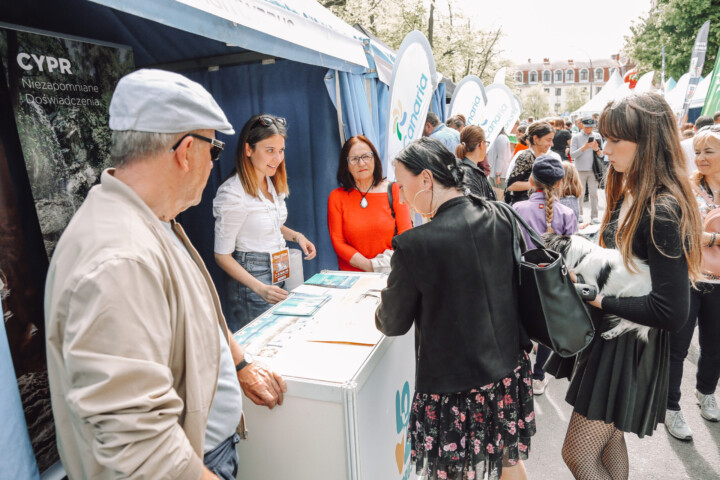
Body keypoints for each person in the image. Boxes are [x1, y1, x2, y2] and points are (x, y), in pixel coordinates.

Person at [44, 69, 287, 480]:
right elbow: (140, 451)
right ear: (186, 150)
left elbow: (196, 314)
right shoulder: (120, 259)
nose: (214, 164)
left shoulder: (152, 220)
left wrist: (239, 363)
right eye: (215, 150)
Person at [558, 93, 702, 480]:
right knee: (606, 442)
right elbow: (625, 264)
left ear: (648, 141)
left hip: (628, 343)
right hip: (618, 338)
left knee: (577, 454)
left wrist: (598, 297)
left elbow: (672, 311)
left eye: (614, 140)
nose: (604, 149)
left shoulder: (661, 207)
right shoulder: (636, 192)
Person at [376, 137, 535, 480]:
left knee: (451, 472)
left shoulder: (414, 244)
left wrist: (380, 302)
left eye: (403, 187)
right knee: (507, 459)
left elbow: (392, 322)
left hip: (453, 388)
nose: (402, 197)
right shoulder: (501, 214)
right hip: (506, 367)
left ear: (426, 180)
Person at [213, 114, 317, 330]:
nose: (277, 158)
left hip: (278, 271)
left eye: (281, 150)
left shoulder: (271, 182)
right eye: (269, 150)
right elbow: (222, 256)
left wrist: (297, 237)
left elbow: (271, 225)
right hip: (253, 281)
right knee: (262, 345)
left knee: (282, 336)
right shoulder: (233, 193)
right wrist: (260, 288)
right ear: (248, 150)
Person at [665, 125, 720, 441]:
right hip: (688, 277)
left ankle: (706, 392)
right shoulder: (685, 188)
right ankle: (672, 407)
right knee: (677, 348)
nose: (700, 158)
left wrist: (708, 238)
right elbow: (677, 232)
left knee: (715, 345)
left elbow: (698, 236)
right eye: (697, 152)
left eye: (708, 151)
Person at [512, 156, 578, 396]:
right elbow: (572, 253)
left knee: (522, 324)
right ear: (560, 183)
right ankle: (538, 376)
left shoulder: (517, 209)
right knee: (546, 329)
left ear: (531, 181)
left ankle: (520, 373)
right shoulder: (567, 214)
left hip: (521, 279)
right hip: (552, 282)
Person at [327, 135, 412, 272]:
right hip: (352, 278)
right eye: (354, 159)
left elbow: (405, 235)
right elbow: (338, 242)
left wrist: (379, 267)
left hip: (391, 272)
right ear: (346, 165)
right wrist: (369, 266)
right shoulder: (336, 197)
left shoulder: (395, 190)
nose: (361, 163)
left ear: (375, 158)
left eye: (366, 156)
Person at [504, 121, 554, 205]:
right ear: (535, 139)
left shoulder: (545, 156)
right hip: (524, 207)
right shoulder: (527, 157)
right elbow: (511, 185)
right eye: (548, 140)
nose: (551, 144)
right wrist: (539, 185)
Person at [570, 116, 604, 223]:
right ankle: (579, 214)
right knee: (580, 193)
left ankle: (594, 216)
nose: (589, 129)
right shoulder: (576, 137)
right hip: (580, 169)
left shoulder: (597, 136)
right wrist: (584, 147)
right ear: (582, 126)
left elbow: (602, 155)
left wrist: (596, 149)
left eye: (591, 127)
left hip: (593, 170)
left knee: (594, 194)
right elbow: (572, 154)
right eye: (587, 127)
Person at [455, 125, 497, 199]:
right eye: (486, 143)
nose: (486, 147)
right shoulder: (471, 172)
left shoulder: (457, 167)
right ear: (480, 144)